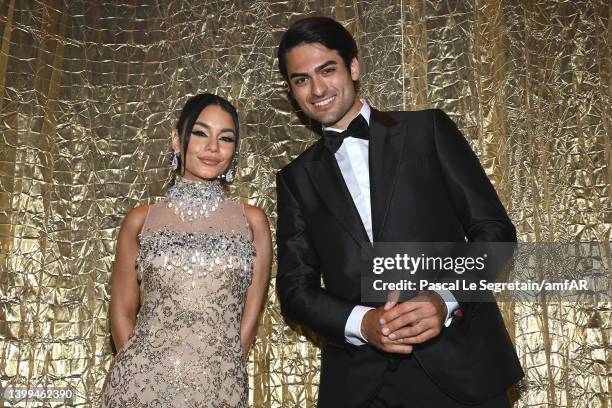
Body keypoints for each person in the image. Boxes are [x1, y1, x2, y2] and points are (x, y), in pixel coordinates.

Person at [275, 17, 523, 408]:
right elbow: (295, 291)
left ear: (353, 68)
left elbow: (494, 232)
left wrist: (444, 298)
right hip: (363, 385)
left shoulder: (428, 130)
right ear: (292, 90)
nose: (317, 89)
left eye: (327, 70)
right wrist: (362, 323)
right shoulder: (295, 179)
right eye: (301, 79)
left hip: (460, 367)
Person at [101, 93, 272, 407]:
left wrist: (227, 370)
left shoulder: (252, 222)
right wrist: (137, 372)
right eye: (201, 133)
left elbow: (251, 312)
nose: (213, 147)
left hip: (218, 386)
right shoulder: (141, 220)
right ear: (177, 140)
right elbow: (122, 311)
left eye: (226, 138)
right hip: (138, 387)